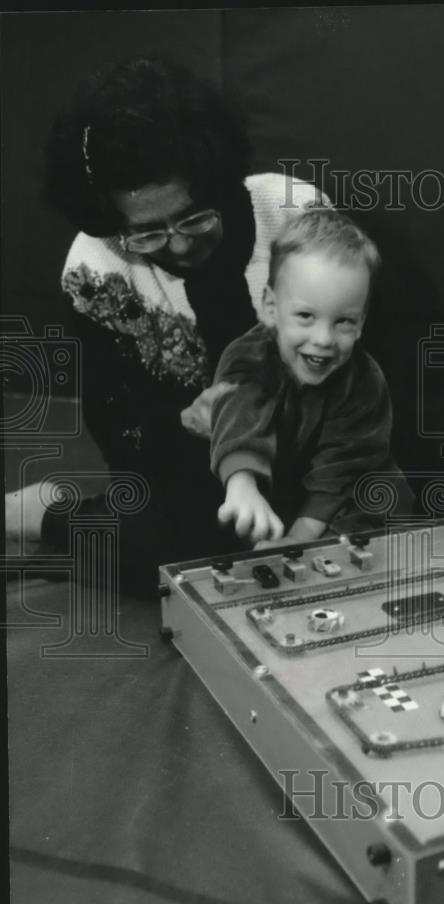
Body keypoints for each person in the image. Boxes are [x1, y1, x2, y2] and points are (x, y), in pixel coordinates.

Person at [4, 56, 328, 594]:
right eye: (147, 234)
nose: (178, 246)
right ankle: (50, 515)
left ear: (217, 183)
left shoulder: (299, 213)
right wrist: (190, 422)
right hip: (192, 470)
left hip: (318, 446)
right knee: (182, 559)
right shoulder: (94, 266)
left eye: (194, 218)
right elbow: (122, 435)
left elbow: (364, 355)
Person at [210, 209, 414, 546]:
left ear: (361, 322)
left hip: (339, 490)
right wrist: (242, 483)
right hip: (273, 480)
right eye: (306, 316)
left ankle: (342, 558)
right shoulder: (248, 356)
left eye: (343, 322)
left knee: (385, 492)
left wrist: (299, 540)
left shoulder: (363, 380)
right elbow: (238, 413)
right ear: (271, 308)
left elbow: (341, 468)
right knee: (218, 514)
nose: (323, 339)